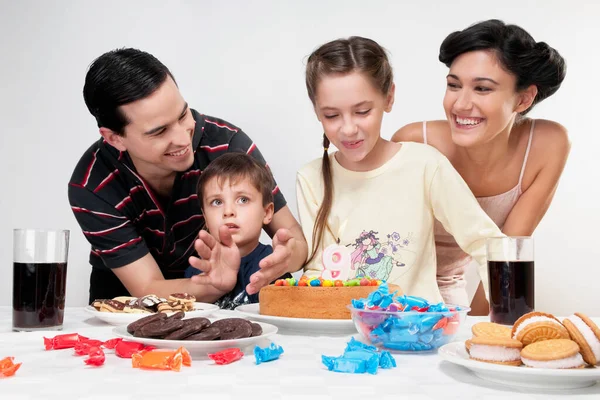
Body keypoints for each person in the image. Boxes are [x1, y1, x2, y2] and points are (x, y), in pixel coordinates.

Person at [68, 48, 307, 304]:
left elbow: (294, 238)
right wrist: (213, 286)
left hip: (221, 294)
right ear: (114, 138)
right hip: (126, 301)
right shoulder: (92, 185)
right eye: (159, 132)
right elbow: (146, 286)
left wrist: (284, 260)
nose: (183, 138)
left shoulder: (228, 147)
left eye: (183, 115)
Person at [297, 36, 504, 303]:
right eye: (332, 116)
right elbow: (317, 271)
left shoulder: (425, 165)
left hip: (419, 331)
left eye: (362, 111)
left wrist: (507, 319)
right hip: (347, 333)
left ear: (389, 97)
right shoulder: (311, 178)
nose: (348, 129)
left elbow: (485, 243)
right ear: (316, 110)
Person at [392, 20, 569, 314]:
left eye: (482, 89)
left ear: (523, 99)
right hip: (394, 292)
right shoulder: (415, 143)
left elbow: (506, 261)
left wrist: (474, 334)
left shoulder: (548, 145)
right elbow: (387, 246)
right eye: (453, 85)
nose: (461, 104)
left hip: (450, 291)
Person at [184, 152, 291, 309]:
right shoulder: (197, 271)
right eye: (217, 202)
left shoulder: (272, 267)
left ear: (267, 212)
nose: (228, 211)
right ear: (205, 217)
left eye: (243, 200)